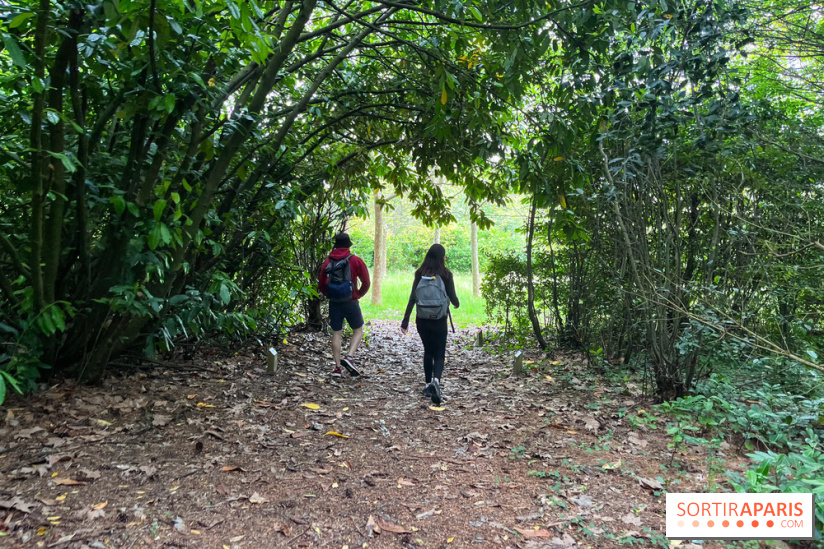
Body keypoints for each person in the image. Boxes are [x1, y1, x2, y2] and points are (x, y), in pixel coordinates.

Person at [400, 243, 460, 405]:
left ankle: (427, 384)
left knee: (428, 350)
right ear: (442, 257)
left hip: (422, 319)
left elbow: (412, 297)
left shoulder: (419, 273)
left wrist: (405, 320)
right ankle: (437, 381)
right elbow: (453, 297)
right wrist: (456, 303)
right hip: (439, 319)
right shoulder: (446, 274)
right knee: (439, 352)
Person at [318, 232, 371, 377]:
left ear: (335, 245)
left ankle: (337, 368)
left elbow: (321, 284)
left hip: (334, 302)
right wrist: (358, 294)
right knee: (358, 330)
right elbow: (366, 282)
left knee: (336, 333)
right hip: (351, 301)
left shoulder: (328, 262)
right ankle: (349, 357)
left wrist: (329, 294)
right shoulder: (355, 260)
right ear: (348, 245)